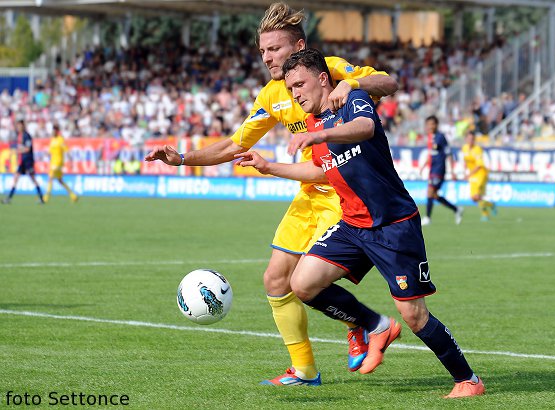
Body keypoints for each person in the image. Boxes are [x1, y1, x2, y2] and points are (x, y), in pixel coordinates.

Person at [144, 2, 399, 386]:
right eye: (262, 51)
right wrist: (182, 158)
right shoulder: (271, 96)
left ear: (298, 47)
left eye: (274, 49)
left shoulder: (330, 69)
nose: (266, 57)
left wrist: (353, 83)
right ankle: (305, 369)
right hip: (308, 192)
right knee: (275, 281)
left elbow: (388, 82)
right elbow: (234, 146)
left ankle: (365, 324)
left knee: (314, 277)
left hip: (346, 192)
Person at [236, 48, 485, 399]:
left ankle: (468, 380)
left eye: (300, 85)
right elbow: (321, 170)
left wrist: (320, 136)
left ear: (323, 79)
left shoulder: (352, 99)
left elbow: (365, 129)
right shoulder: (312, 122)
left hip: (392, 225)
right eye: (291, 89)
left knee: (413, 315)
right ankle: (371, 325)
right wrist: (269, 166)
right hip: (353, 226)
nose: (295, 94)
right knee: (302, 283)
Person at [420, 115, 463, 226]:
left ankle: (428, 218)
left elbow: (449, 154)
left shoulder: (440, 137)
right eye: (428, 124)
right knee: (433, 195)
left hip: (439, 169)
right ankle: (456, 209)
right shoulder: (431, 137)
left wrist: (452, 171)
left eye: (432, 124)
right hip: (432, 169)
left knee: (430, 192)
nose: (430, 126)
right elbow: (431, 153)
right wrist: (424, 165)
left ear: (436, 125)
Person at [2, 120, 44, 205]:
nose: (18, 127)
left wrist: (16, 151)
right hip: (22, 161)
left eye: (20, 125)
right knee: (16, 178)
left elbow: (27, 149)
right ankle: (9, 198)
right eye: (17, 126)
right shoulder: (19, 136)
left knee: (33, 179)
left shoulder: (27, 136)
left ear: (23, 126)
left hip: (28, 160)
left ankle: (41, 198)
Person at [462, 131, 496, 221]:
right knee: (474, 198)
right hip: (472, 174)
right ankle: (491, 204)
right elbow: (466, 160)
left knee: (477, 195)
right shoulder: (464, 148)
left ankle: (485, 215)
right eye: (469, 139)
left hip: (480, 173)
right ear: (466, 139)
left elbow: (479, 165)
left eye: (472, 139)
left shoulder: (477, 149)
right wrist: (465, 169)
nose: (471, 140)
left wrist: (468, 175)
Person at [44, 125, 78, 203]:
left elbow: (66, 150)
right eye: (52, 130)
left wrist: (71, 161)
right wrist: (45, 155)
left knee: (50, 177)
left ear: (57, 131)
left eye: (54, 130)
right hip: (53, 162)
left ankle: (46, 197)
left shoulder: (60, 140)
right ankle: (73, 195)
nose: (53, 132)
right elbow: (50, 151)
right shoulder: (52, 140)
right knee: (60, 180)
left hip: (58, 162)